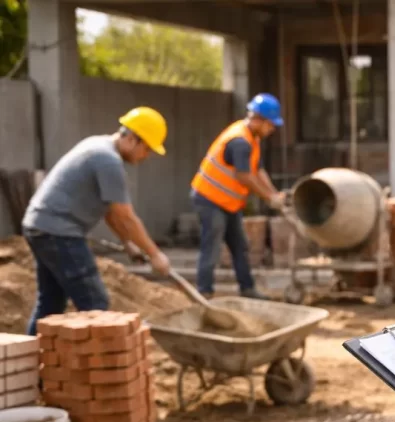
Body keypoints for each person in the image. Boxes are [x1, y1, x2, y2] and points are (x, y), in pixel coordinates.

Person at [22, 107, 172, 336]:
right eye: (147, 149)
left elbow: (111, 212)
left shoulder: (98, 146)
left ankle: (27, 367)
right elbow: (126, 216)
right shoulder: (107, 161)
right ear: (131, 139)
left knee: (50, 304)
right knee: (95, 304)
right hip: (58, 233)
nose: (146, 156)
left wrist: (128, 243)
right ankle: (99, 368)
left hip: (40, 226)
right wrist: (155, 254)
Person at [189, 93, 286, 300]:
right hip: (209, 199)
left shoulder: (253, 138)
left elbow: (258, 170)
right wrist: (268, 198)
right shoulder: (240, 141)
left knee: (239, 246)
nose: (272, 129)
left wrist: (273, 193)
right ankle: (204, 293)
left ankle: (247, 289)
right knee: (212, 247)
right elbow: (244, 176)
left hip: (228, 203)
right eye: (271, 124)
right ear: (259, 119)